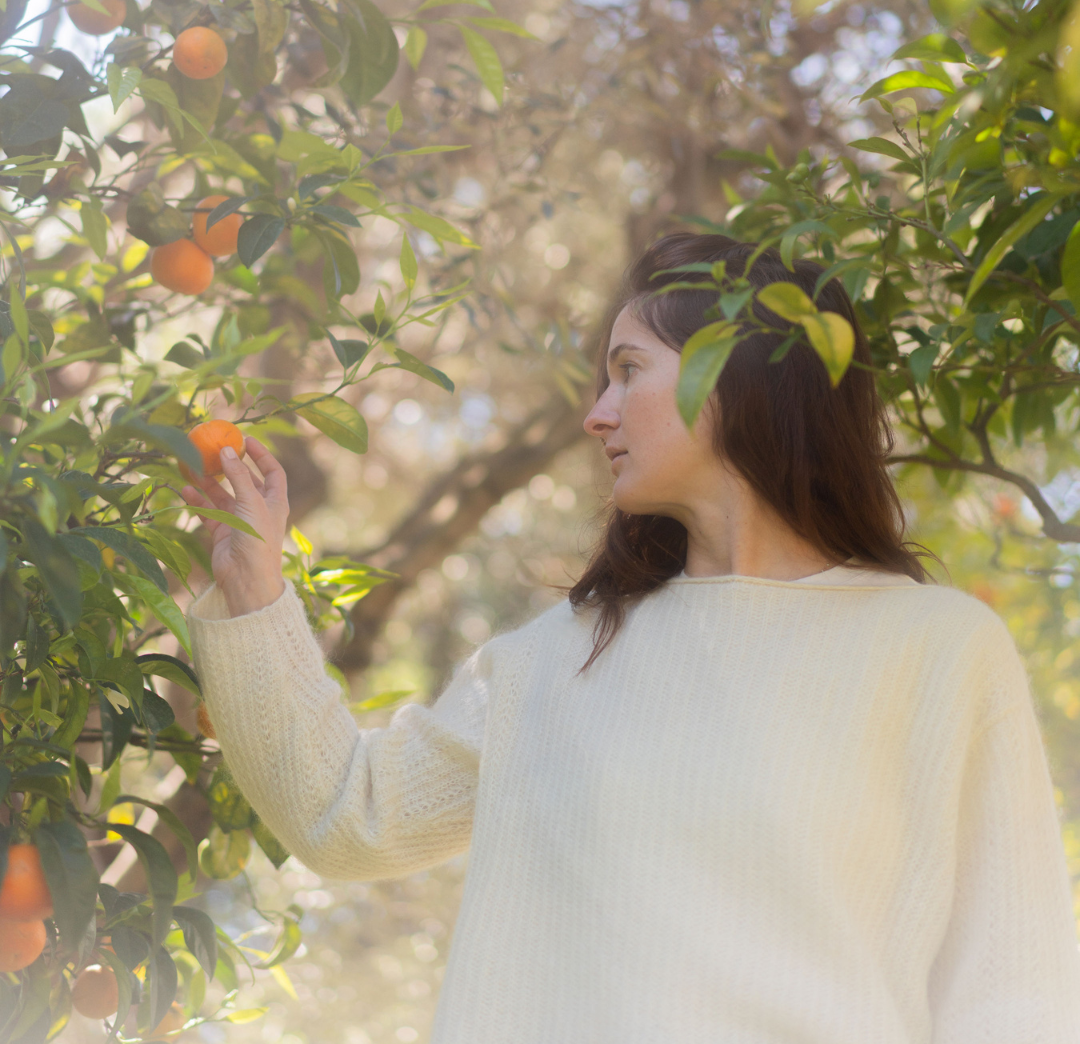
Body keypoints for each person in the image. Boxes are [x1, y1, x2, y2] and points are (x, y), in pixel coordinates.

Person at [181, 233, 1080, 1043]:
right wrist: (256, 589)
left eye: (627, 370)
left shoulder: (938, 650)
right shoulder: (553, 662)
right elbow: (351, 814)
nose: (595, 414)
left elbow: (1016, 988)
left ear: (729, 374)